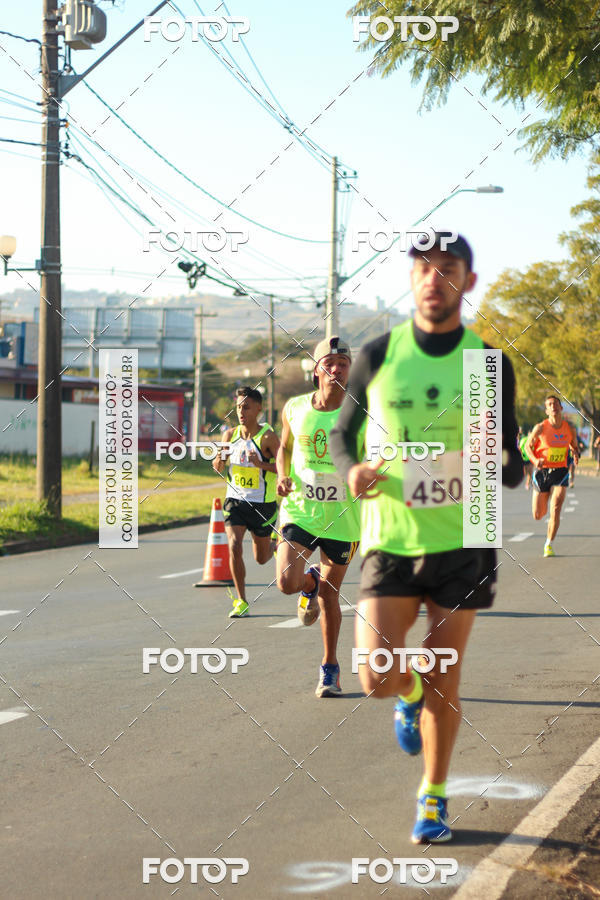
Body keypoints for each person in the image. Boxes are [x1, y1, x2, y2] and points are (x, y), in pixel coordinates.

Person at [330, 232, 522, 843]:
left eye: (449, 268)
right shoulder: (379, 355)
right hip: (390, 536)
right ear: (410, 279)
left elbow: (511, 459)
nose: (434, 279)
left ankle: (433, 801)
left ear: (469, 280)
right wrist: (351, 471)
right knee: (375, 673)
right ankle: (405, 694)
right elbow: (343, 436)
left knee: (448, 673)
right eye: (423, 268)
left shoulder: (487, 364)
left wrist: (501, 462)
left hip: (464, 538)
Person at [275, 336, 362, 698]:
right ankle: (306, 583)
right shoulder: (294, 408)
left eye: (343, 363)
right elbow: (283, 447)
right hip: (300, 510)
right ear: (317, 370)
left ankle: (330, 670)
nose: (336, 368)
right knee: (285, 582)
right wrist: (281, 474)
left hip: (344, 518)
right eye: (330, 362)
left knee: (331, 595)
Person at [213, 386, 279, 617]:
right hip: (235, 501)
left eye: (246, 407)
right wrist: (220, 460)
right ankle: (241, 601)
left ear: (258, 409)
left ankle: (275, 543)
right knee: (234, 545)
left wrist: (261, 465)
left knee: (261, 559)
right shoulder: (229, 435)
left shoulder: (268, 437)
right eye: (239, 406)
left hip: (262, 505)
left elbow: (285, 467)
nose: (241, 411)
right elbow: (218, 465)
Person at [525, 396, 579, 556]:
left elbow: (573, 445)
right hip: (542, 472)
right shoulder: (540, 428)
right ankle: (544, 502)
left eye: (555, 404)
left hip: (561, 471)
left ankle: (549, 544)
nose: (553, 406)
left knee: (556, 507)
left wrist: (575, 453)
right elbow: (528, 447)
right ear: (546, 410)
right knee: (538, 514)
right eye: (549, 405)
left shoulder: (570, 428)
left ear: (561, 408)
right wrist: (535, 460)